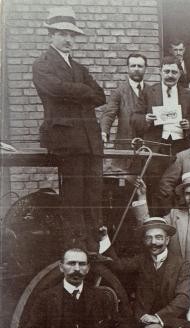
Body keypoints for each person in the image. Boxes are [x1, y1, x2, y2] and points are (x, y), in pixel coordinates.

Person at [33, 7, 106, 252]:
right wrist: (83, 91)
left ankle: (94, 249)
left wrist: (74, 92)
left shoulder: (80, 68)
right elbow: (54, 89)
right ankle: (76, 250)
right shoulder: (42, 65)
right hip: (66, 140)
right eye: (63, 34)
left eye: (72, 35)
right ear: (51, 35)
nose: (68, 39)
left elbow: (100, 96)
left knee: (93, 196)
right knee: (73, 198)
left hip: (90, 141)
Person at [105, 217, 190, 328]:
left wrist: (157, 317)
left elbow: (183, 299)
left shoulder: (181, 264)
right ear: (144, 240)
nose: (154, 242)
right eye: (149, 238)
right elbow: (118, 265)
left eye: (158, 237)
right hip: (140, 320)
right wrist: (104, 239)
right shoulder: (141, 260)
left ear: (167, 239)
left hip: (170, 321)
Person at [132, 56, 190, 210]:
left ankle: (178, 219)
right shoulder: (148, 93)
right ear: (160, 72)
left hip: (180, 147)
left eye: (174, 72)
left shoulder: (188, 96)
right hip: (157, 146)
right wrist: (146, 119)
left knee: (180, 185)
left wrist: (189, 125)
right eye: (166, 71)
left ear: (180, 74)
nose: (170, 75)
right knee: (155, 186)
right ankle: (157, 219)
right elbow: (134, 118)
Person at [101, 53, 148, 173]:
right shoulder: (119, 92)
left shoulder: (152, 91)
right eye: (133, 66)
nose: (136, 69)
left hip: (147, 147)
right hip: (126, 146)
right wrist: (104, 132)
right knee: (126, 181)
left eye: (140, 66)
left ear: (145, 69)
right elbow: (109, 114)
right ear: (127, 68)